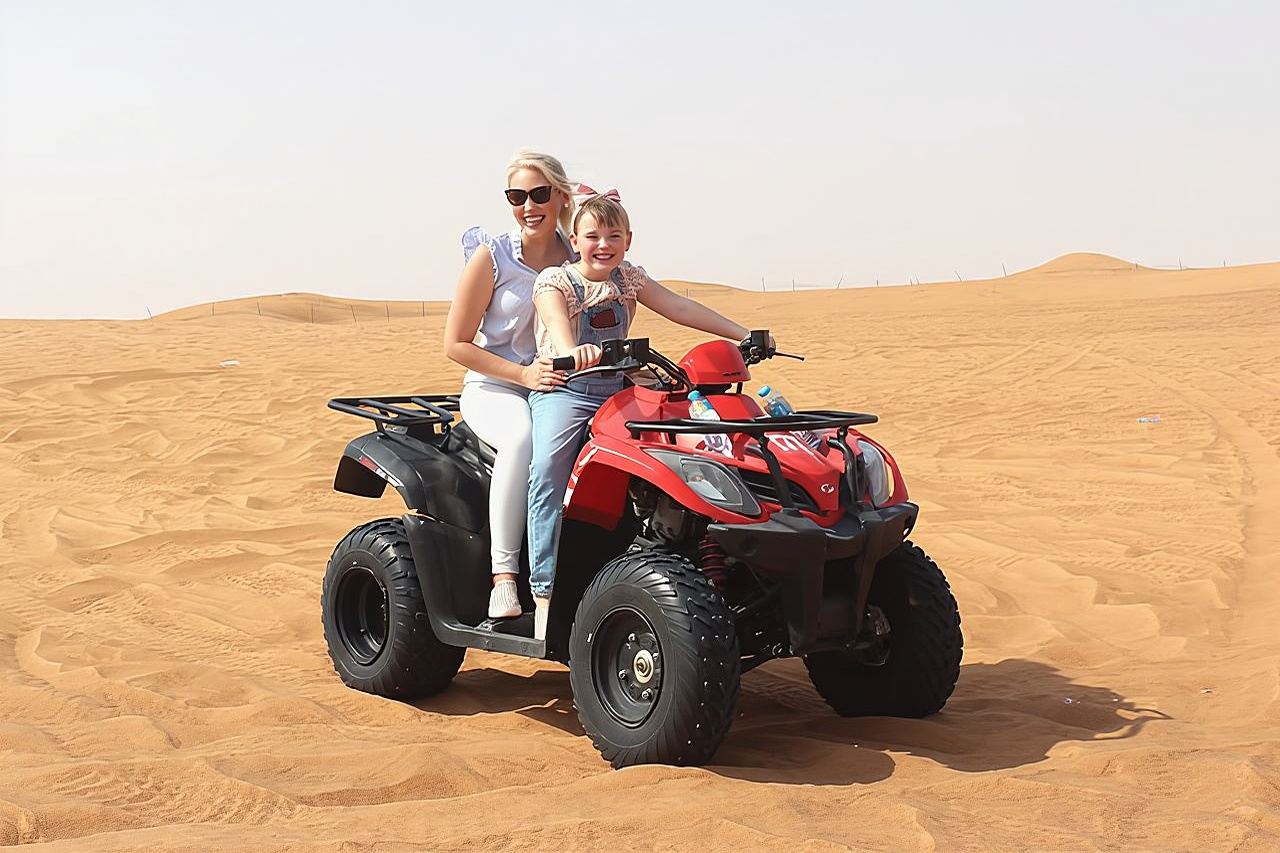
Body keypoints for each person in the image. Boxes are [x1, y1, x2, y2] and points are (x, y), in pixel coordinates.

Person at [526, 187, 771, 639]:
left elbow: (679, 306)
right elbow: (557, 325)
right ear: (575, 240)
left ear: (628, 239)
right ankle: (544, 590)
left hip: (621, 388)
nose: (603, 244)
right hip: (566, 390)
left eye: (613, 235)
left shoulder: (629, 279)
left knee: (688, 444)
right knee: (545, 470)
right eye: (593, 235)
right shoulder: (555, 282)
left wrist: (742, 335)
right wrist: (571, 351)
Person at [443, 150, 577, 620]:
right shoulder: (492, 256)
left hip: (561, 388)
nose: (528, 206)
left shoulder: (580, 256)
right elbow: (456, 343)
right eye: (516, 196)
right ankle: (504, 577)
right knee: (523, 440)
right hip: (494, 386)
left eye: (539, 194)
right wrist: (521, 375)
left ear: (560, 196)